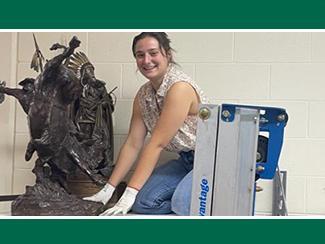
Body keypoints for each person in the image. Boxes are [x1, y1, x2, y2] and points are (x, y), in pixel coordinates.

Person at [83, 32, 206, 216]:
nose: (147, 60)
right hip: (187, 160)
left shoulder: (179, 88)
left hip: (212, 161)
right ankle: (190, 200)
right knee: (143, 204)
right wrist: (108, 189)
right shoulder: (144, 95)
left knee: (183, 204)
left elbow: (157, 143)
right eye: (140, 55)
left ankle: (206, 202)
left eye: (153, 53)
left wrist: (128, 193)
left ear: (167, 54)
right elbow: (133, 143)